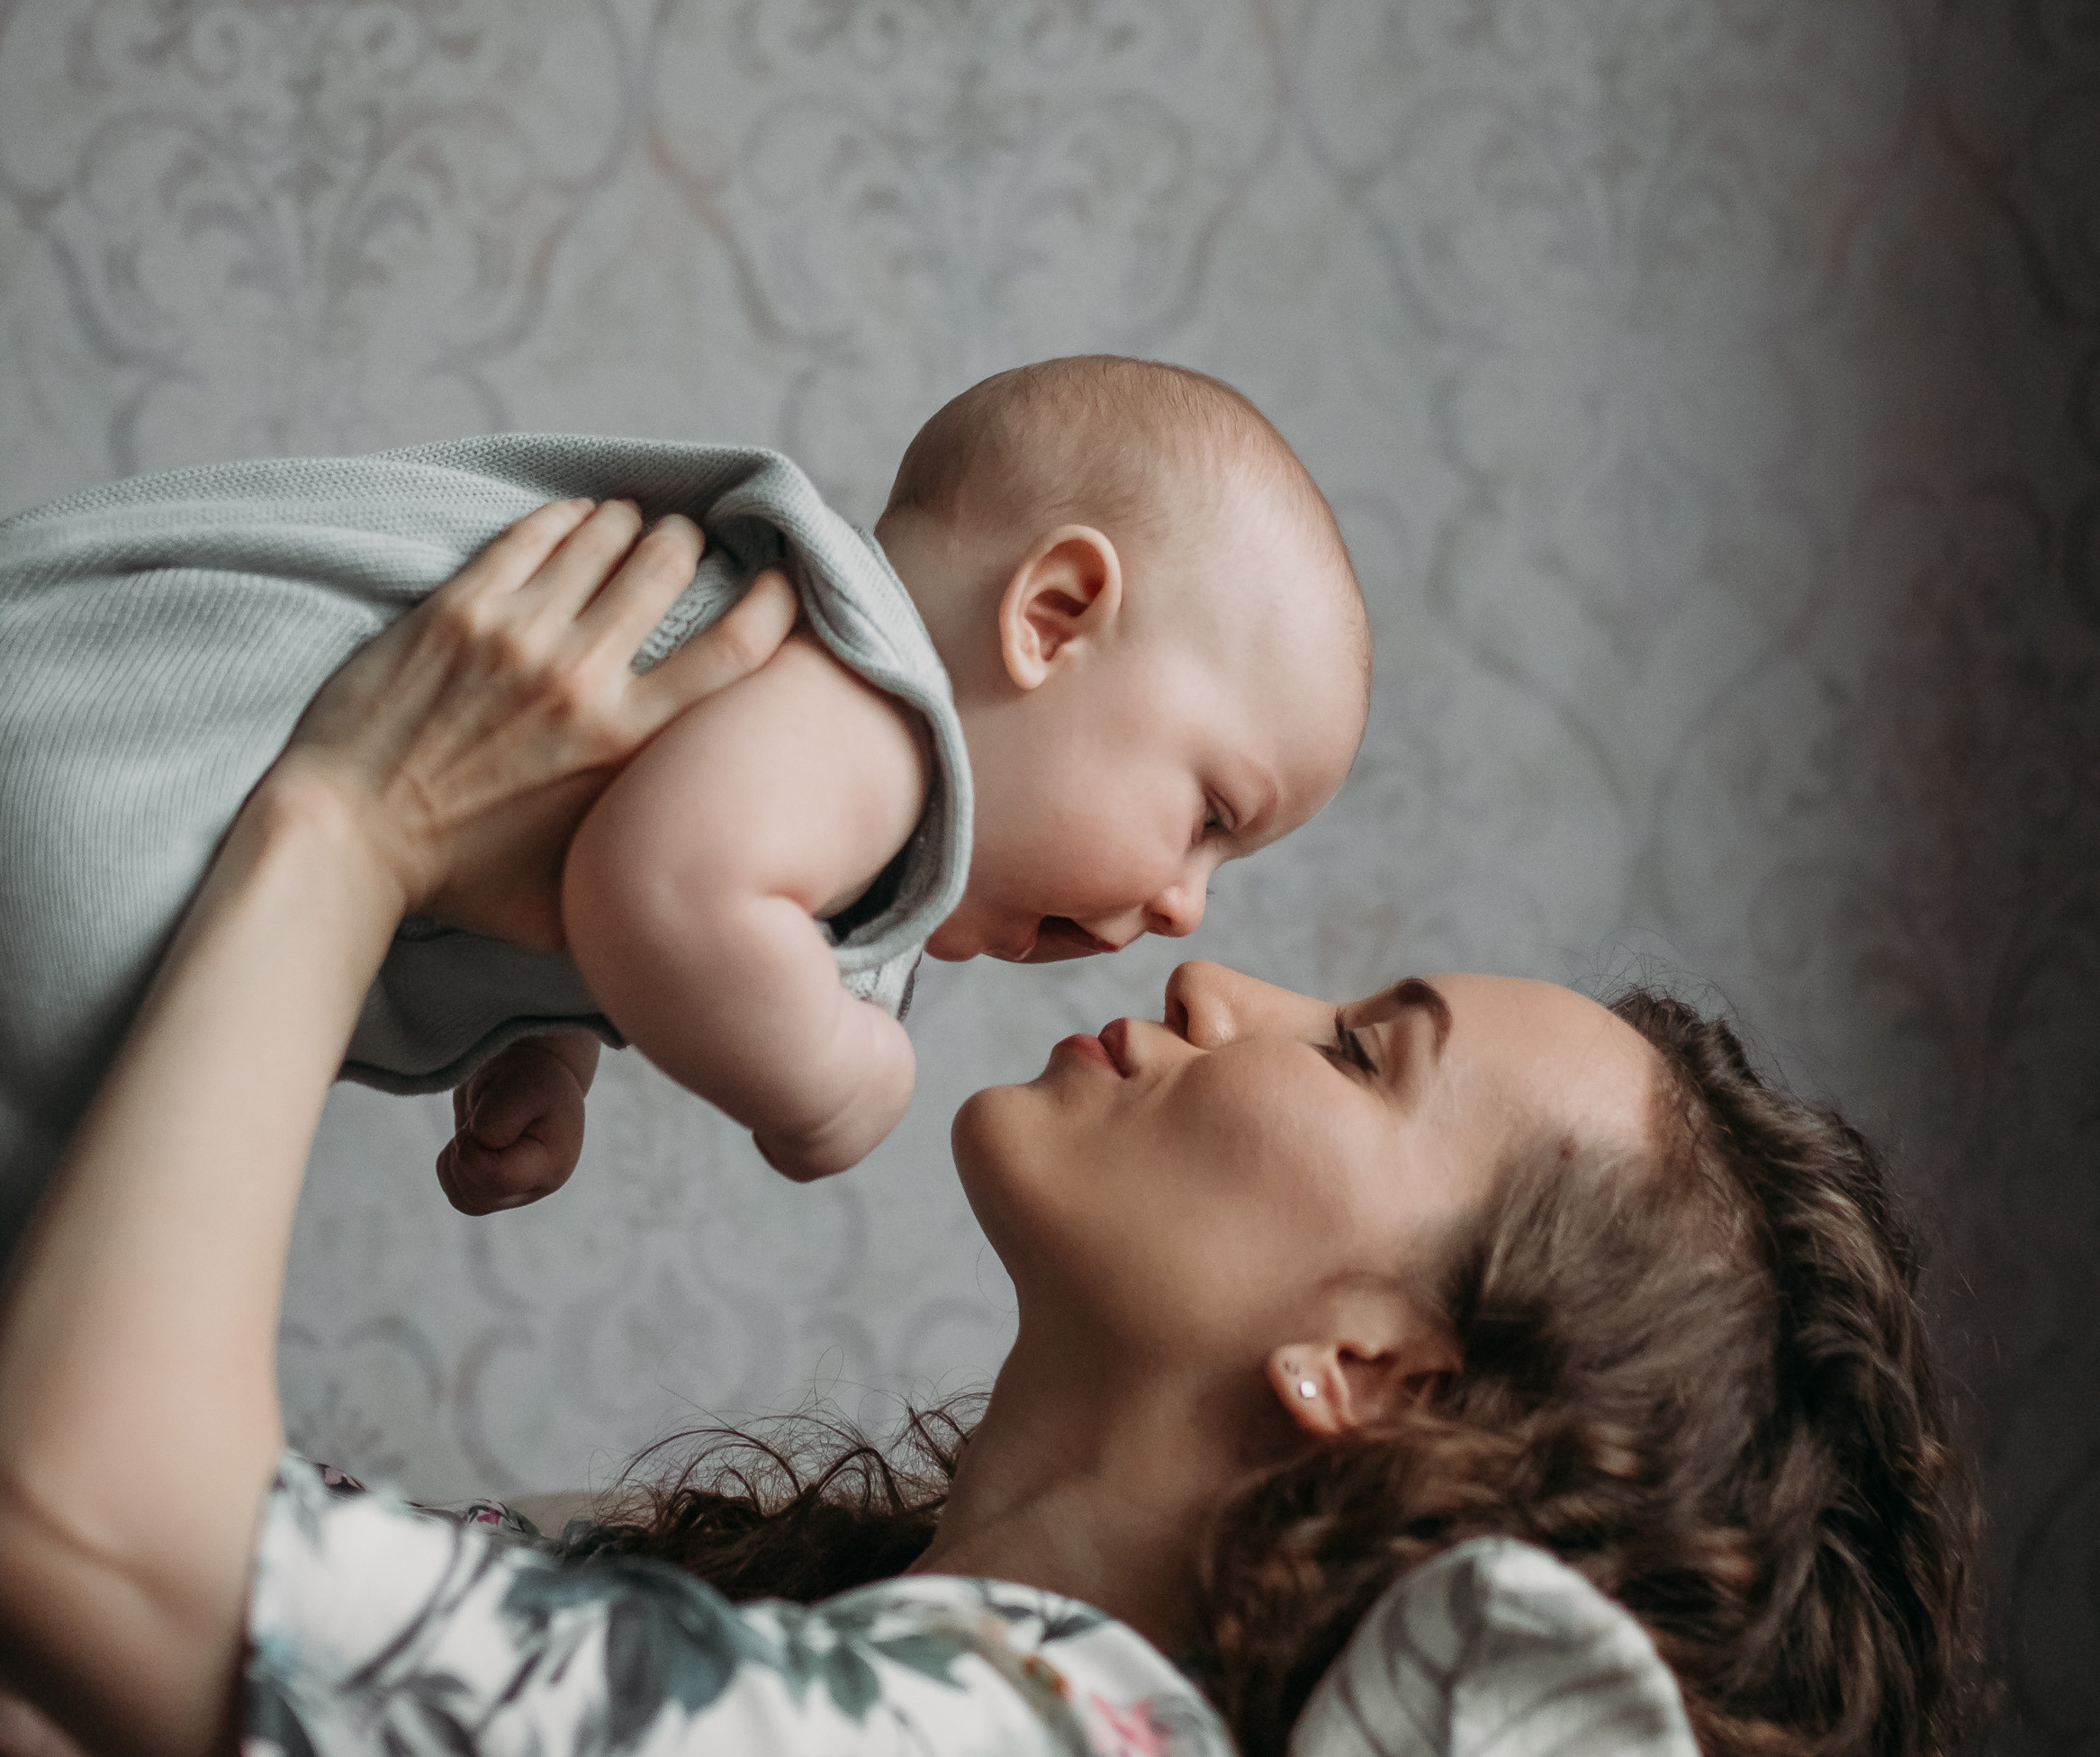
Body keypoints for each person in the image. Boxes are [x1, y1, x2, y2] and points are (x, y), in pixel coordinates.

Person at [0, 507, 1973, 1757]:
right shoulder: (916, 1667)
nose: (1218, 977)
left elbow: (79, 1523)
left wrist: (349, 825)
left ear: (1374, 1368)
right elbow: (186, 1620)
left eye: (1366, 1050)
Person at [0, 357, 1368, 1270]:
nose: (1187, 905)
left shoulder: (789, 722)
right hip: (96, 805)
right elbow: (661, 894)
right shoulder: (871, 711)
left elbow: (596, 864)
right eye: (1206, 815)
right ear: (1053, 618)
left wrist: (546, 1047)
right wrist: (837, 1090)